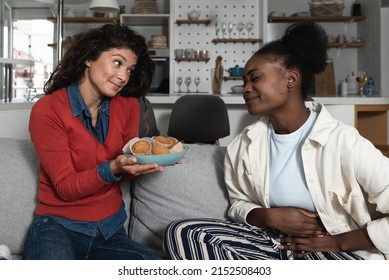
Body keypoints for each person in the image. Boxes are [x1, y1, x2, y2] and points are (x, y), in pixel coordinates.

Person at [164, 22, 389, 260]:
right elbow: (239, 204)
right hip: (273, 243)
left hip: (334, 252)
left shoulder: (343, 141)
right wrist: (269, 216)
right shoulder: (244, 145)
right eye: (244, 83)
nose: (246, 89)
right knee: (183, 233)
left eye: (255, 79)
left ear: (291, 79)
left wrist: (337, 242)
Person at [23, 24, 163, 260]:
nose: (123, 76)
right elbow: (66, 188)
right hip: (58, 228)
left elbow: (126, 170)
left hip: (111, 232)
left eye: (130, 69)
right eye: (117, 63)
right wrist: (114, 167)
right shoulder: (48, 110)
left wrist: (144, 161)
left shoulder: (127, 105)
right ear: (89, 58)